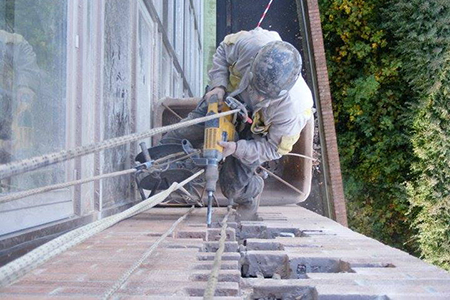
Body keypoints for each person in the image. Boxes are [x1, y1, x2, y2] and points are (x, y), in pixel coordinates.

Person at [161, 27, 313, 220]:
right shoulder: (251, 44)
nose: (256, 96)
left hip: (254, 134)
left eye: (264, 96)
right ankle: (153, 170)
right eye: (255, 87)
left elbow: (273, 149)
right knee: (181, 134)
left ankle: (253, 191)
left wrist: (237, 148)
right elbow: (223, 51)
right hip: (227, 100)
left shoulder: (295, 109)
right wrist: (218, 86)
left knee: (232, 187)